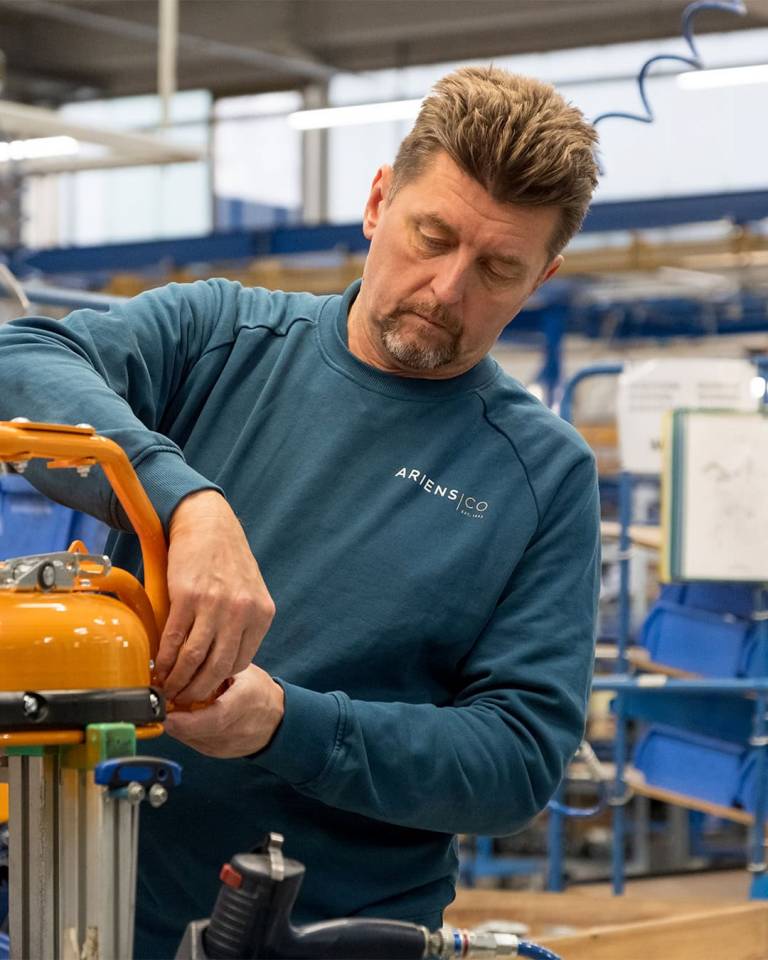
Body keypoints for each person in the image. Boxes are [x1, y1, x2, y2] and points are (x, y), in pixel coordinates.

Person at [0, 66, 600, 958]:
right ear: (377, 202)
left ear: (543, 275)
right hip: (90, 907)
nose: (445, 289)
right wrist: (185, 497)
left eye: (497, 269)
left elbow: (514, 760)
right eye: (430, 236)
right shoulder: (219, 337)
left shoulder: (543, 475)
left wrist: (286, 725)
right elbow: (22, 355)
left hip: (334, 936)